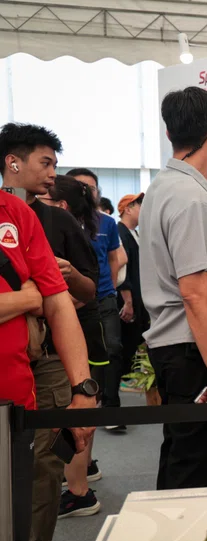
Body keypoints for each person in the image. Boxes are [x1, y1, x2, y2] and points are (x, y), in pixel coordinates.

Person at [0, 122, 100, 541]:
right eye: (46, 162)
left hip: (28, 384)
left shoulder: (25, 215)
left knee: (38, 477)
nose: (52, 173)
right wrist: (23, 297)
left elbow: (66, 299)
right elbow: (40, 296)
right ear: (14, 161)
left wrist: (84, 385)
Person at [140, 86, 207, 490]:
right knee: (192, 469)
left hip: (180, 347)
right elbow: (195, 292)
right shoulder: (191, 197)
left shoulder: (165, 188)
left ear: (170, 135)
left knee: (180, 457)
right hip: (194, 349)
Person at [42, 176, 113, 520]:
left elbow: (86, 289)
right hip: (88, 324)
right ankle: (82, 480)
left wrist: (53, 306)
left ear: (62, 206)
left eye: (45, 198)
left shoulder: (70, 231)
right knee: (85, 409)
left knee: (80, 408)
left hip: (83, 328)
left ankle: (79, 490)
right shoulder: (85, 228)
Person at [66, 168, 128, 428]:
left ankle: (110, 407)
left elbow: (115, 258)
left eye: (91, 187)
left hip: (104, 297)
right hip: (69, 301)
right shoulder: (61, 219)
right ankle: (79, 402)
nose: (86, 191)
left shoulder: (107, 222)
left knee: (112, 349)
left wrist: (111, 288)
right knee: (75, 354)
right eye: (80, 186)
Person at [116, 193, 147, 382]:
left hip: (137, 299)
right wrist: (127, 301)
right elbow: (122, 272)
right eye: (139, 206)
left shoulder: (135, 233)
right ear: (128, 209)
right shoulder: (120, 233)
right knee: (125, 344)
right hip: (127, 301)